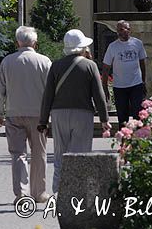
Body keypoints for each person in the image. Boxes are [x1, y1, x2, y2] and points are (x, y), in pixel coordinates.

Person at [38, 29, 110, 195]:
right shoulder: (90, 65)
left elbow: (48, 94)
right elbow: (98, 95)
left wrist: (43, 120)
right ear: (82, 47)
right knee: (81, 155)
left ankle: (58, 193)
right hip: (82, 114)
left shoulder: (56, 65)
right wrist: (104, 118)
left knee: (59, 156)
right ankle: (79, 193)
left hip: (58, 114)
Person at [0, 26, 52, 205]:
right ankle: (39, 192)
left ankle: (21, 193)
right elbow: (51, 90)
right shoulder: (44, 61)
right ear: (35, 42)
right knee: (39, 153)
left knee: (18, 154)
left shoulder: (8, 62)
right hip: (38, 115)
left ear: (18, 41)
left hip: (14, 113)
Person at [102, 20, 147, 129]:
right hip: (119, 86)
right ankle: (124, 142)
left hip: (136, 84)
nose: (124, 31)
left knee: (138, 115)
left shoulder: (137, 43)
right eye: (121, 29)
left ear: (130, 30)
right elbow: (106, 67)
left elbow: (142, 63)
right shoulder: (112, 47)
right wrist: (105, 86)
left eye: (126, 28)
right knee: (122, 117)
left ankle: (138, 141)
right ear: (117, 32)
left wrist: (143, 81)